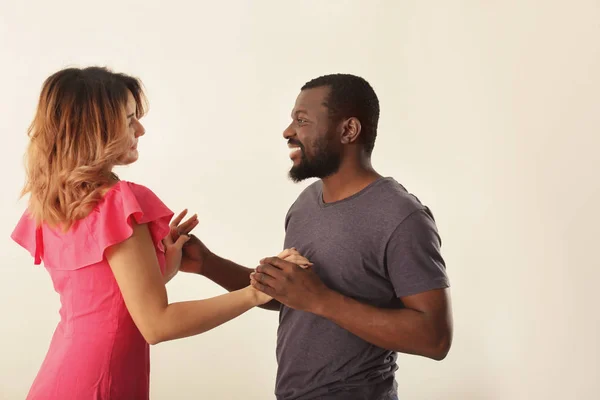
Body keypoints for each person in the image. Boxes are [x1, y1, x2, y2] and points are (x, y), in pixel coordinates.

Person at [10, 66, 311, 400]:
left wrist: (160, 271)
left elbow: (99, 298)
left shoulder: (59, 199)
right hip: (100, 381)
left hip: (63, 376)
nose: (140, 129)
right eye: (128, 120)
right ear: (96, 128)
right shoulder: (116, 202)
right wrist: (255, 293)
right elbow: (156, 325)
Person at [181, 73, 453, 400]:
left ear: (348, 130)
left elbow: (435, 339)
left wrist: (321, 300)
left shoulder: (401, 216)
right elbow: (291, 299)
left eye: (302, 120)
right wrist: (208, 264)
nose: (288, 131)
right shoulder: (305, 204)